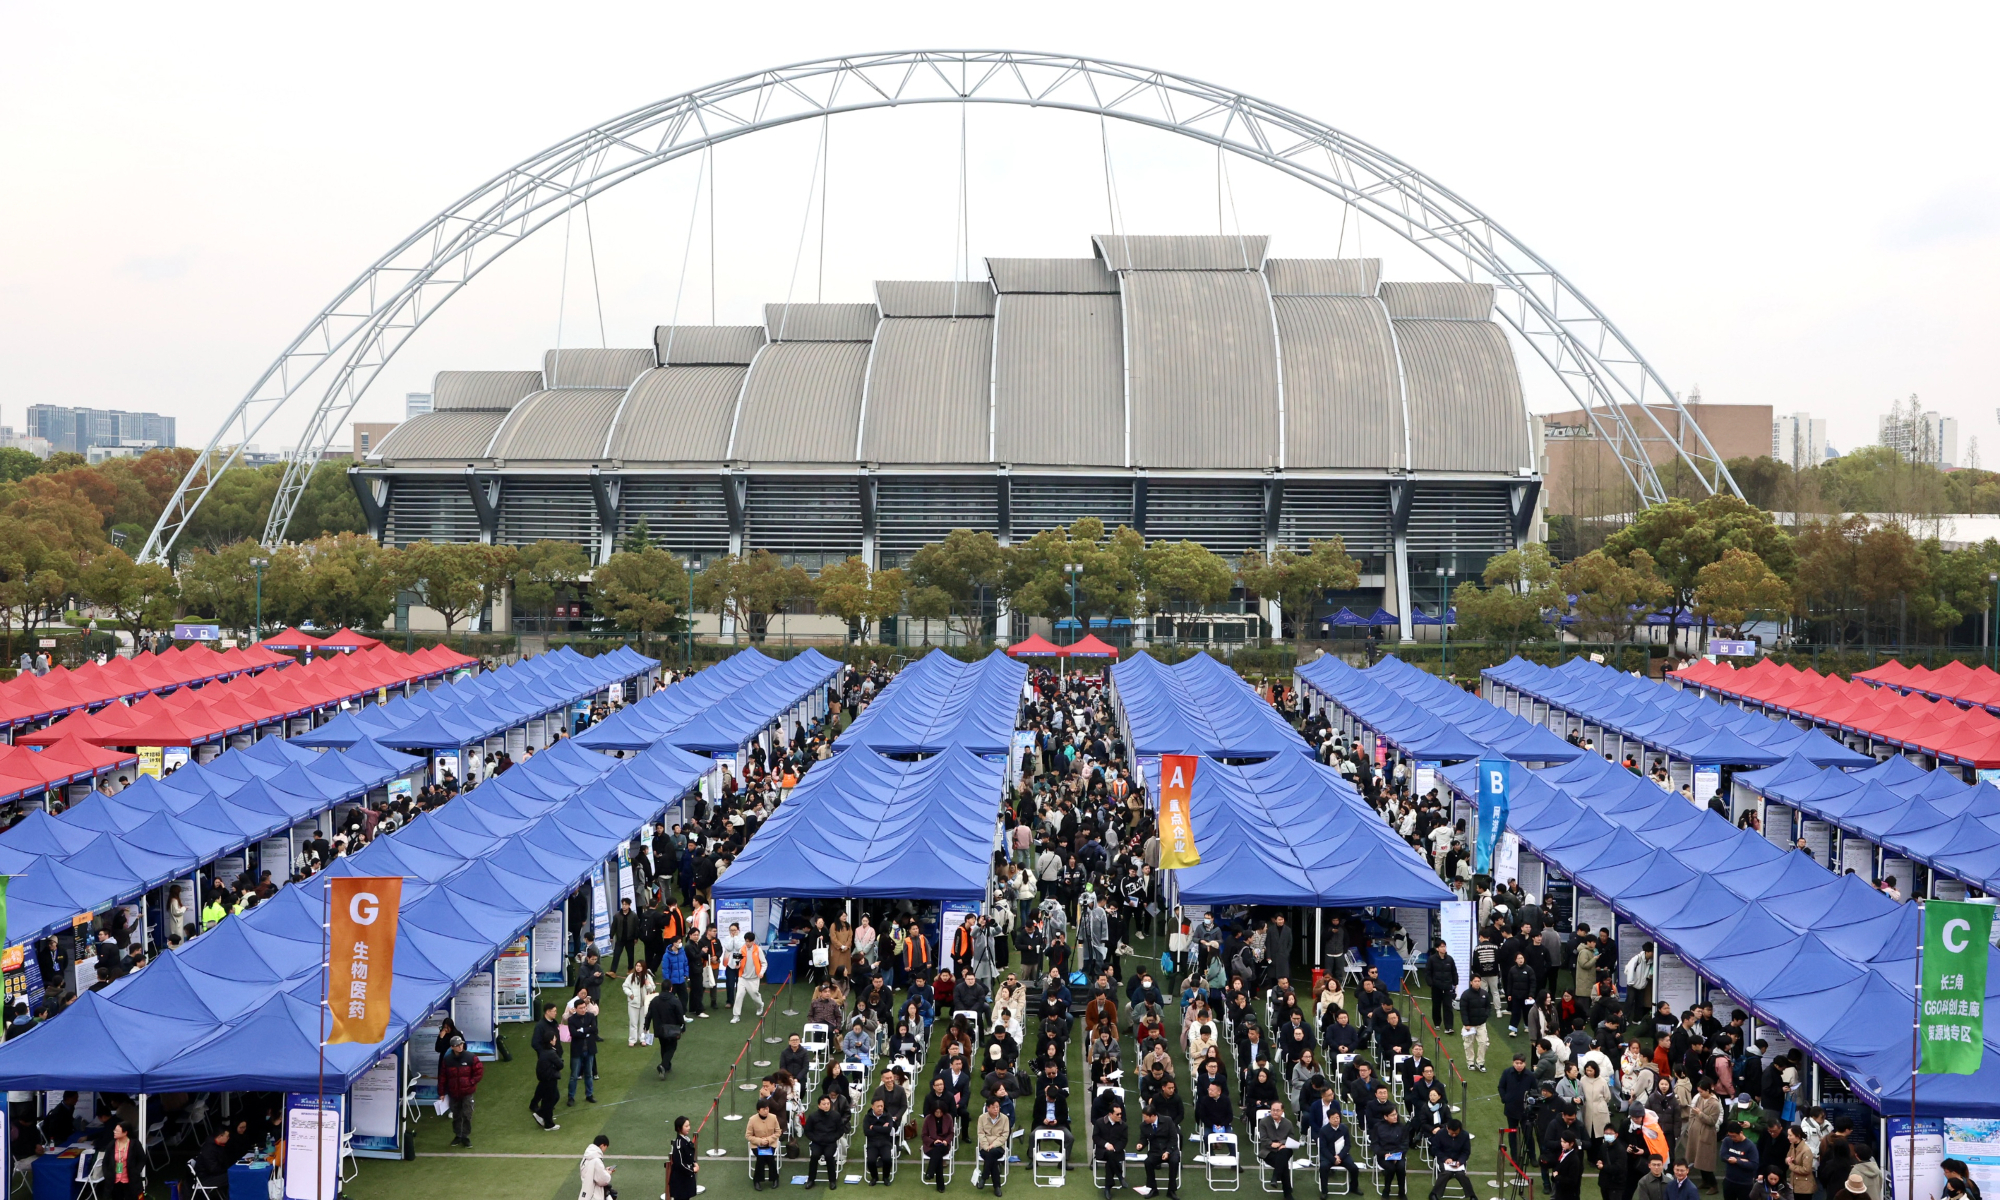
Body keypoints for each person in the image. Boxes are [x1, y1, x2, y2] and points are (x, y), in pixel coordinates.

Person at [440, 1034, 485, 1146]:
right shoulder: (447, 1060)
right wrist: (441, 1092)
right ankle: (458, 1135)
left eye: (461, 1044)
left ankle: (465, 1136)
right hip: (453, 1092)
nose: (460, 1047)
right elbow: (442, 1077)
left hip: (467, 1092)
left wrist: (471, 1082)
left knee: (467, 1114)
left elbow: (479, 1072)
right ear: (452, 1047)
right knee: (456, 1115)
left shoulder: (471, 1057)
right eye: (457, 1045)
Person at [1258, 1100, 1302, 1200]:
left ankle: (1275, 1177)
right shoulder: (1264, 1122)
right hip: (1268, 1152)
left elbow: (1291, 1138)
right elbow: (1263, 1140)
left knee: (1284, 1152)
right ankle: (1287, 1193)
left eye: (1277, 1110)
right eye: (1273, 1110)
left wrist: (1282, 1143)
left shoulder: (1288, 1123)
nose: (1274, 1112)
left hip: (1284, 1149)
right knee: (1283, 1165)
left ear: (1282, 1111)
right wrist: (1271, 1144)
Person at [1138, 1102, 1181, 1199]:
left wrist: (1168, 1151)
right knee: (1148, 1162)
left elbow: (1173, 1138)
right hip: (1156, 1151)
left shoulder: (1167, 1121)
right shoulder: (1143, 1126)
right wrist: (1141, 1144)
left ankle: (1171, 1190)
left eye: (1145, 1117)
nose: (1144, 1119)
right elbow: (1143, 1138)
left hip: (1170, 1150)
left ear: (1153, 1116)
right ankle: (1153, 1189)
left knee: (1174, 1161)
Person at [1316, 1109, 1361, 1199]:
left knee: (1354, 1168)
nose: (1336, 1120)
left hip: (1342, 1155)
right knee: (1323, 1167)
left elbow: (1348, 1145)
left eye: (1337, 1117)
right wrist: (1333, 1159)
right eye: (1333, 1118)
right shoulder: (1323, 1131)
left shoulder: (1344, 1128)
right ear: (1329, 1119)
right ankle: (1324, 1191)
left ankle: (1354, 1187)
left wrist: (1340, 1156)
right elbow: (1323, 1148)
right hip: (1328, 1156)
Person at [531, 1006, 563, 1131]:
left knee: (552, 1096)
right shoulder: (549, 1053)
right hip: (549, 1075)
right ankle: (547, 1122)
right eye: (554, 1011)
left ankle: (541, 1114)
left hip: (547, 1073)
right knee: (551, 1097)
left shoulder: (548, 1051)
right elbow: (560, 1065)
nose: (556, 1013)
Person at [805, 1093, 845, 1189]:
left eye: (828, 1103)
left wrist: (833, 1138)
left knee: (829, 1156)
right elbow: (807, 1131)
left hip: (830, 1143)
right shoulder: (813, 1116)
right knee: (814, 1156)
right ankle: (811, 1180)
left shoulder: (836, 1115)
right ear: (819, 1105)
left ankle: (832, 1180)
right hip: (817, 1142)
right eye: (824, 1104)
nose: (826, 1106)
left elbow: (840, 1130)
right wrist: (815, 1138)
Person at [567, 993, 601, 1105]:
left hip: (589, 1050)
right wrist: (587, 1031)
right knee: (574, 1076)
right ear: (575, 1009)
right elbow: (573, 1034)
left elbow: (595, 1029)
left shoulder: (590, 1016)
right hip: (577, 1051)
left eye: (584, 1007)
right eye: (581, 1008)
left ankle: (589, 1095)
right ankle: (571, 1097)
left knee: (589, 1074)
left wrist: (582, 1030)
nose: (583, 1010)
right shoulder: (571, 1020)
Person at [1430, 1118, 1475, 1200]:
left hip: (1458, 1161)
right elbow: (1435, 1149)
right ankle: (1434, 1194)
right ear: (1447, 1128)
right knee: (1446, 1173)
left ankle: (1472, 1195)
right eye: (1452, 1133)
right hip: (1443, 1160)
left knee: (1461, 1174)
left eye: (1456, 1133)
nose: (1454, 1135)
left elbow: (1466, 1152)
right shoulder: (1440, 1134)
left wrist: (1460, 1161)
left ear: (1460, 1129)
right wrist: (1445, 1158)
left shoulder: (1465, 1135)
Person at [648, 981, 687, 1074]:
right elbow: (679, 1015)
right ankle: (663, 1065)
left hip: (659, 1028)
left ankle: (666, 1067)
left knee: (663, 1046)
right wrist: (682, 1026)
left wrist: (646, 1025)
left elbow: (649, 1014)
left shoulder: (655, 1000)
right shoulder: (675, 1000)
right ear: (671, 988)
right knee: (672, 1047)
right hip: (671, 1028)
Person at [1095, 1102, 1129, 1200]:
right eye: (1117, 1114)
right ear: (1110, 1114)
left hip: (1117, 1152)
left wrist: (1115, 1148)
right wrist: (1106, 1144)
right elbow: (1096, 1137)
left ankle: (1108, 1187)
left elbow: (1124, 1140)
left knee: (1111, 1157)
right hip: (1102, 1151)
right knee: (1110, 1154)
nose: (1120, 1116)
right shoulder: (1100, 1122)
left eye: (1121, 1114)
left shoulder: (1123, 1125)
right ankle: (1120, 1176)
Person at [977, 1098, 1011, 1195]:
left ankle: (984, 1177)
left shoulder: (1004, 1118)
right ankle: (997, 1187)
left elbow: (1005, 1135)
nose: (996, 1109)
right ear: (988, 1108)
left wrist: (993, 1145)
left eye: (997, 1107)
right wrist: (986, 1146)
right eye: (993, 1107)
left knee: (992, 1153)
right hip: (985, 1147)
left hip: (999, 1147)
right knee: (992, 1159)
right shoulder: (982, 1118)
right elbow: (980, 1134)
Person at [103, 1120, 144, 1200]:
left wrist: (136, 1171)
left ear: (125, 1133)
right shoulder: (112, 1144)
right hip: (115, 1180)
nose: (114, 1132)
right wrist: (107, 1174)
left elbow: (142, 1159)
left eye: (117, 1131)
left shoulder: (135, 1144)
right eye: (114, 1130)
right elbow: (105, 1162)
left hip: (130, 1180)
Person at [924, 1094, 957, 1192]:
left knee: (938, 1151)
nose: (938, 1114)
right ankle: (940, 1185)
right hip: (930, 1145)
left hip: (944, 1145)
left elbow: (951, 1133)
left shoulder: (948, 1117)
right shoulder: (928, 1118)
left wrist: (946, 1141)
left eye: (940, 1112)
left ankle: (930, 1172)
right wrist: (933, 1141)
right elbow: (924, 1135)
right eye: (936, 1112)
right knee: (937, 1156)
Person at [1459, 976, 1493, 1071]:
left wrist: (1485, 1016)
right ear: (1471, 982)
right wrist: (1466, 1024)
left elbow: (1488, 1007)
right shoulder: (1465, 995)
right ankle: (1470, 1062)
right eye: (1475, 981)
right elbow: (1463, 1010)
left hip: (1481, 1024)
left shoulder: (1484, 994)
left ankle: (1480, 1063)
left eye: (1479, 981)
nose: (1477, 983)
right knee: (1468, 1044)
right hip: (1469, 1026)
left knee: (1484, 1043)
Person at [734, 931, 769, 1023]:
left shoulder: (758, 950)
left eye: (749, 941)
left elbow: (764, 963)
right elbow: (738, 962)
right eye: (746, 941)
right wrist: (737, 965)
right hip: (742, 978)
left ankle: (760, 1005)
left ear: (753, 941)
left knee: (754, 995)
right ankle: (736, 1016)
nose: (748, 943)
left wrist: (761, 972)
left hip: (754, 978)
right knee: (739, 996)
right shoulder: (742, 950)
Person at [748, 1099, 783, 1190]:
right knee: (762, 1157)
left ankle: (770, 1179)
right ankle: (762, 1180)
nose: (766, 1111)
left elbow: (778, 1132)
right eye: (763, 1109)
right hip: (757, 1145)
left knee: (768, 1156)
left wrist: (768, 1140)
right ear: (758, 1110)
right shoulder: (752, 1120)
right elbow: (748, 1135)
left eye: (767, 1108)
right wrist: (760, 1141)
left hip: (770, 1144)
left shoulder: (773, 1117)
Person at [1427, 940, 1460, 1033]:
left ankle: (1449, 1027)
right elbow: (1428, 972)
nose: (1443, 948)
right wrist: (1431, 983)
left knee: (1448, 1006)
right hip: (1436, 986)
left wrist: (1455, 982)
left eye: (1444, 946)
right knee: (1436, 1006)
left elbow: (1454, 971)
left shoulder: (1450, 959)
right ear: (1437, 948)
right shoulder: (1432, 959)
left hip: (1447, 986)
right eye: (1441, 946)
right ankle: (1437, 1023)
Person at [624, 961, 660, 1046]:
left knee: (644, 1023)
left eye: (640, 966)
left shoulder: (648, 977)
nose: (638, 967)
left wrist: (647, 985)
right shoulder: (631, 976)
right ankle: (632, 1040)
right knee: (633, 1023)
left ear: (643, 967)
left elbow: (652, 989)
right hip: (633, 1003)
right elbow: (625, 986)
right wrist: (630, 994)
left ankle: (643, 1039)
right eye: (637, 966)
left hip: (645, 1004)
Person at [864, 1097, 897, 1186]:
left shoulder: (887, 1116)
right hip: (872, 1143)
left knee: (887, 1159)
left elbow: (888, 1130)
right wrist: (882, 1128)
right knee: (871, 1160)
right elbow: (866, 1132)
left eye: (882, 1106)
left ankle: (886, 1177)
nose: (880, 1108)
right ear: (872, 1107)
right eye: (878, 1106)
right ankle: (874, 1177)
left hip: (885, 1143)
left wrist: (873, 1127)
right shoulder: (867, 1117)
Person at [1723, 1126, 1762, 1200]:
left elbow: (1754, 1165)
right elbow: (1723, 1156)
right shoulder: (1727, 1141)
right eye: (1730, 1136)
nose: (1732, 1138)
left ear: (1741, 1133)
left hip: (1745, 1184)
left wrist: (1737, 1161)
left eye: (1734, 1136)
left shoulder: (1751, 1146)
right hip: (1729, 1181)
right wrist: (1741, 1160)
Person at [669, 1116, 701, 1200]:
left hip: (685, 1180)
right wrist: (692, 1169)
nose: (689, 1128)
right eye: (686, 1126)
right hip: (680, 1182)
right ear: (679, 1128)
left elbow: (689, 1156)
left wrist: (694, 1162)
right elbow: (680, 1164)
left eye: (689, 1125)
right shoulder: (679, 1144)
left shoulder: (686, 1139)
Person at [581, 1134, 617, 1200]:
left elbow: (592, 1173)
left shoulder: (585, 1158)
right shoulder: (597, 1160)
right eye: (606, 1147)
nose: (605, 1150)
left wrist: (604, 1171)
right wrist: (608, 1173)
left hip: (585, 1194)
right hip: (594, 1196)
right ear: (602, 1145)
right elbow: (603, 1180)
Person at [1554, 1132, 1586, 1200]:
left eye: (1565, 1142)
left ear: (1571, 1143)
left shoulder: (1574, 1159)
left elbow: (1572, 1180)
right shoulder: (1563, 1153)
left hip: (1569, 1194)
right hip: (1561, 1191)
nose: (1562, 1144)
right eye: (1561, 1141)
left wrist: (1557, 1177)